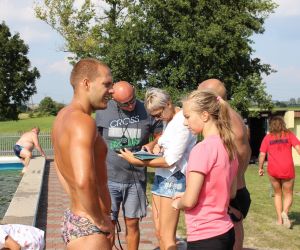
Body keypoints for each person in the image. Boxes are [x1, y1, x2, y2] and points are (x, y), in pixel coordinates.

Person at [119, 87, 197, 250]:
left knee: (167, 237)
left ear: (168, 103)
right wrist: (151, 147)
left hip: (174, 179)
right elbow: (163, 144)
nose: (157, 118)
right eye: (153, 116)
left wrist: (138, 161)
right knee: (160, 233)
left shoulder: (183, 122)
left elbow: (170, 161)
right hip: (162, 178)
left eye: (158, 114)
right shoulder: (169, 119)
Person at [51, 58, 114, 249]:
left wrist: (76, 199)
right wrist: (100, 220)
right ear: (86, 83)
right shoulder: (82, 122)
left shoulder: (62, 117)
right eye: (106, 84)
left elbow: (58, 166)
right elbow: (83, 180)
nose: (111, 90)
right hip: (90, 228)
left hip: (77, 218)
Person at [95, 81, 162, 250]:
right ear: (114, 99)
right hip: (108, 179)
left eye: (132, 100)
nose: (131, 106)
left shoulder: (146, 109)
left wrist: (153, 144)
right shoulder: (103, 109)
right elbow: (94, 141)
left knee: (132, 224)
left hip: (135, 179)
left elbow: (161, 135)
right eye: (125, 104)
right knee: (109, 226)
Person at [172, 89, 238, 250]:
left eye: (187, 117)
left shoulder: (202, 149)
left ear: (204, 115)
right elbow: (230, 192)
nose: (185, 123)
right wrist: (187, 195)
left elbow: (189, 201)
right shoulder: (229, 147)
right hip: (226, 232)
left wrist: (178, 203)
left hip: (205, 236)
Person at [198, 79, 251, 250]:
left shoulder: (226, 120)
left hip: (231, 193)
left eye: (200, 95)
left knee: (229, 238)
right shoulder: (233, 117)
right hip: (236, 190)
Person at [258, 116, 300, 229]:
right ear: (283, 124)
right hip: (287, 169)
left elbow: (262, 154)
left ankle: (280, 220)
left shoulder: (267, 138)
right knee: (288, 193)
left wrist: (260, 167)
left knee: (277, 194)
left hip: (273, 170)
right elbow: (298, 148)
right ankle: (285, 212)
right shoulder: (289, 134)